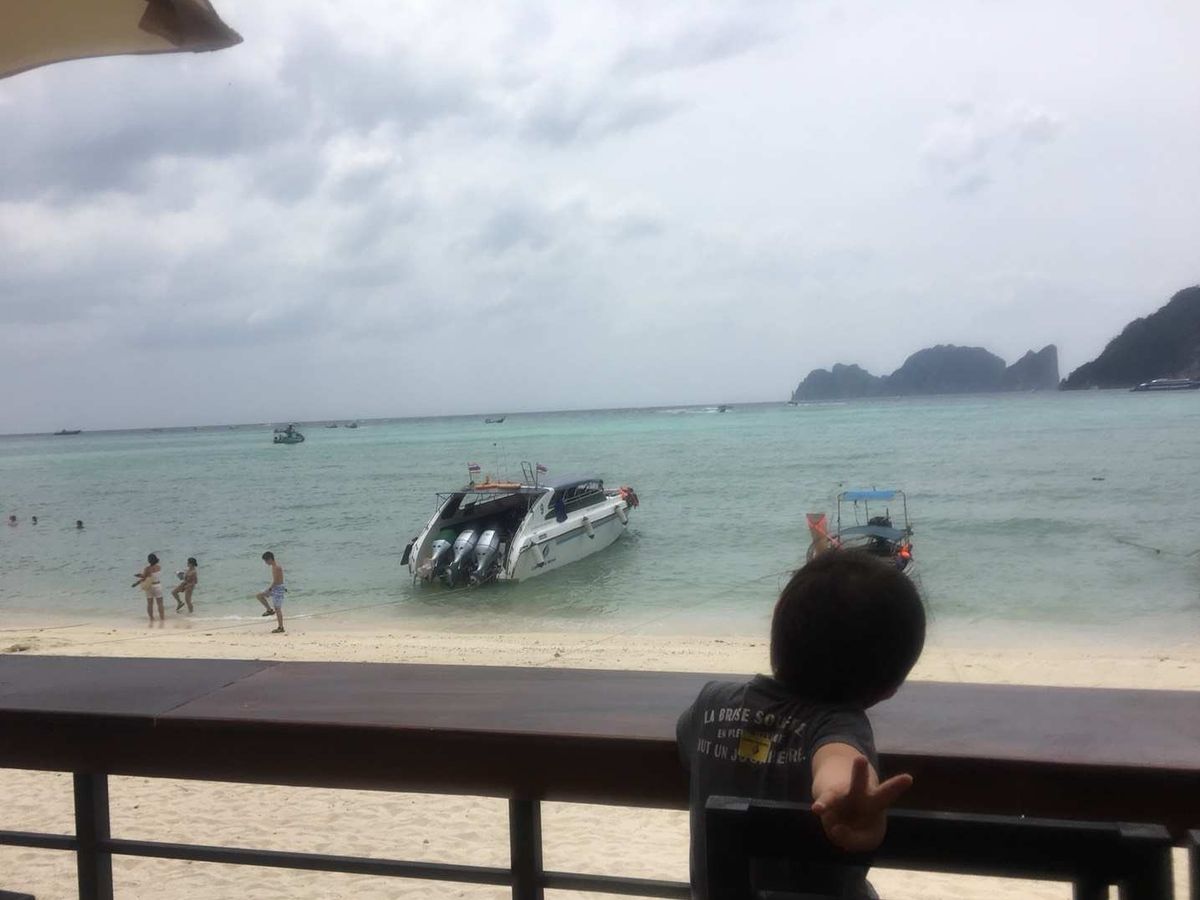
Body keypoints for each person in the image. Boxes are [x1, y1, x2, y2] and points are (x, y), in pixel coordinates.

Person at [676, 550, 926, 899]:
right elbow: (837, 757)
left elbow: (687, 743)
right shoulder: (838, 723)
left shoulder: (711, 704)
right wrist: (839, 790)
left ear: (776, 637)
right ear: (889, 689)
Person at [256, 551, 286, 634]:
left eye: (266, 561)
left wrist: (269, 590)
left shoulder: (277, 567)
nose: (265, 563)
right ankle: (269, 610)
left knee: (278, 609)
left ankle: (281, 627)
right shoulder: (273, 567)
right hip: (275, 588)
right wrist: (269, 590)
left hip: (278, 589)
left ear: (270, 559)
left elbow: (276, 581)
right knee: (259, 596)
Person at [132, 553, 164, 623]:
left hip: (150, 586)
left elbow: (144, 577)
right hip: (158, 585)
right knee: (160, 603)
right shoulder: (159, 567)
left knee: (150, 604)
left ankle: (151, 619)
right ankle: (162, 618)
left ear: (149, 560)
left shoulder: (147, 568)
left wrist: (137, 579)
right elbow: (150, 576)